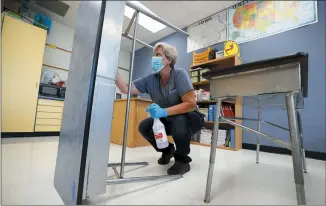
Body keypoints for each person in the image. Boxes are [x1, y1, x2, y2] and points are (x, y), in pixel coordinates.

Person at [115, 42, 204, 175]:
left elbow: (191, 104)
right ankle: (168, 150)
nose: (153, 58)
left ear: (169, 59)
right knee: (144, 126)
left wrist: (164, 111)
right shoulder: (150, 80)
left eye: (158, 55)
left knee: (179, 118)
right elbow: (125, 88)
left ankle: (182, 160)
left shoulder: (180, 74)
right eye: (153, 55)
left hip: (191, 118)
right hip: (168, 119)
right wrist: (112, 67)